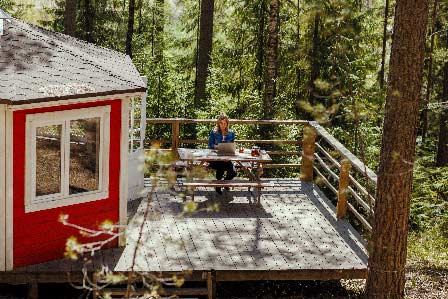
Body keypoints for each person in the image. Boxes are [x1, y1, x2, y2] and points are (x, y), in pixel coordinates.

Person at [208, 113, 237, 194]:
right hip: (215, 157)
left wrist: (229, 154)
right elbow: (210, 144)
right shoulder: (214, 132)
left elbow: (232, 145)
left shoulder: (231, 133)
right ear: (218, 123)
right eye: (221, 123)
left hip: (227, 157)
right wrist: (217, 146)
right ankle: (219, 186)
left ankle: (224, 183)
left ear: (227, 124)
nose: (223, 125)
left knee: (234, 172)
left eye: (225, 123)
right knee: (220, 167)